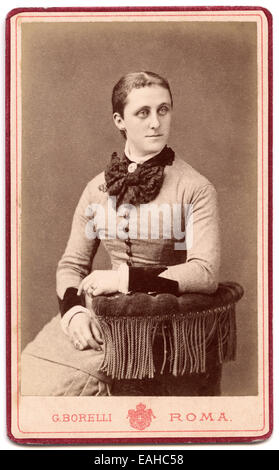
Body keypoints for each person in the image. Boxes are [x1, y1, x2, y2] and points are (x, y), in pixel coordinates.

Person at [54, 71, 221, 396]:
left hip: (174, 338)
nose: (156, 123)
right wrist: (73, 312)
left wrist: (124, 280)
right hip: (109, 333)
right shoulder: (96, 189)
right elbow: (71, 266)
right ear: (120, 120)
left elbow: (205, 272)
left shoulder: (196, 188)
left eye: (163, 110)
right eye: (142, 113)